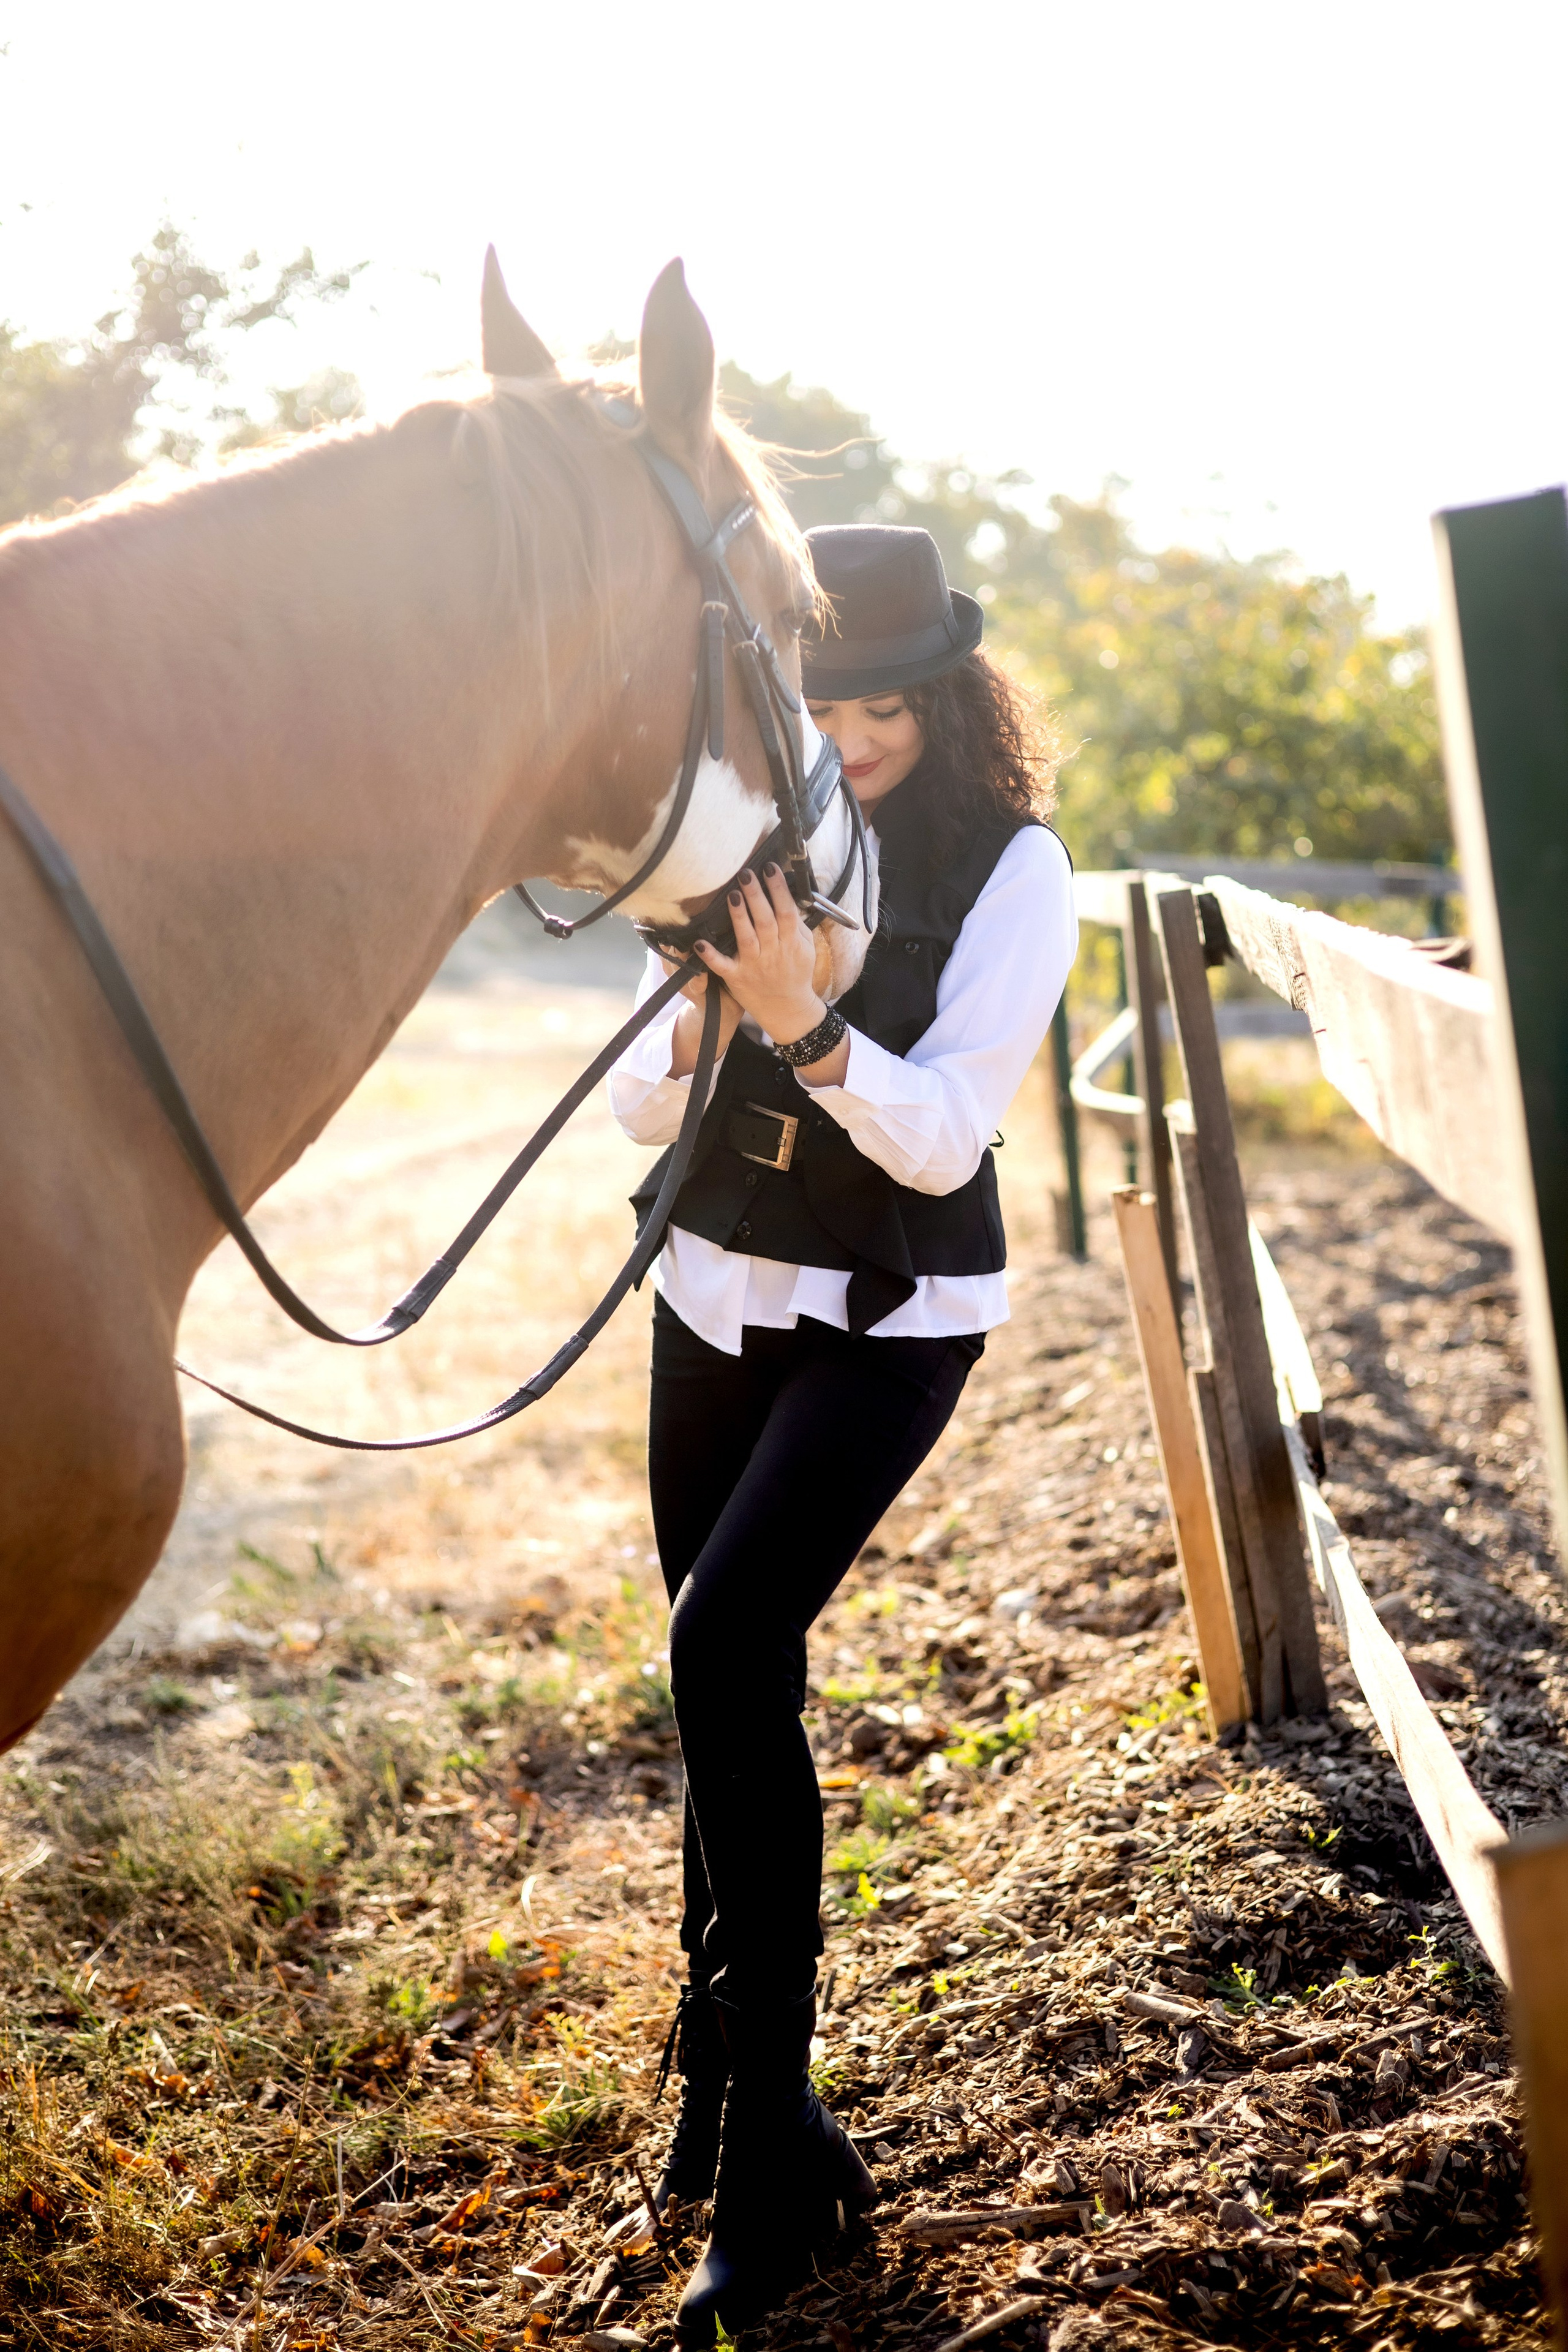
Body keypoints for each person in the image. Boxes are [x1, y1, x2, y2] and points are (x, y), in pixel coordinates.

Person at [608, 523, 1077, 2342]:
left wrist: (808, 1031)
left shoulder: (1014, 865)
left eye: (884, 703)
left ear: (943, 695)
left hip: (889, 1320)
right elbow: (639, 1107)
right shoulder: (750, 829)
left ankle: (772, 2176)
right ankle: (729, 2074)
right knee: (711, 1680)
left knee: (732, 1637)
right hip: (713, 1288)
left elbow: (949, 1136)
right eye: (826, 701)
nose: (853, 735)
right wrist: (698, 1013)